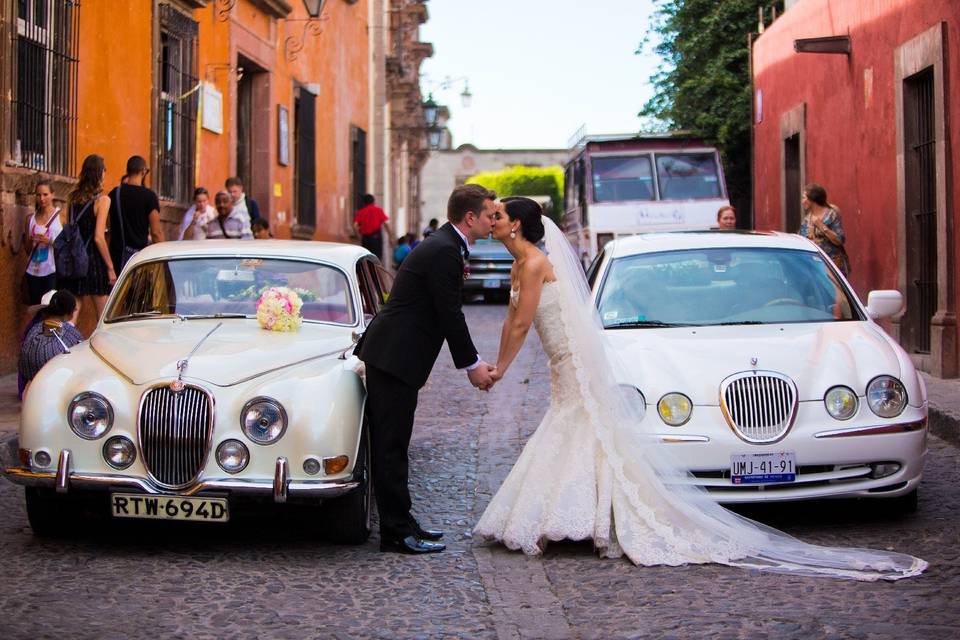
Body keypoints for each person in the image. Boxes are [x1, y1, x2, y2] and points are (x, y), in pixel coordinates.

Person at [473, 196, 926, 581]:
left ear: (515, 224)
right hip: (562, 361)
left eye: (496, 216)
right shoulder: (523, 263)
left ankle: (587, 514)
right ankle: (576, 513)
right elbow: (514, 320)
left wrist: (501, 369)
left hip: (570, 362)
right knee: (578, 429)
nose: (489, 221)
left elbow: (521, 323)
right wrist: (498, 363)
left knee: (583, 427)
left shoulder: (534, 263)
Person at [356, 183, 497, 554]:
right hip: (394, 356)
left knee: (396, 444)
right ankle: (395, 532)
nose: (493, 221)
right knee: (390, 446)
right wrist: (473, 365)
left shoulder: (445, 246)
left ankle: (403, 522)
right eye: (489, 215)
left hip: (399, 356)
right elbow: (449, 314)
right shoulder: (444, 251)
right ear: (470, 217)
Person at [58, 154, 114, 318]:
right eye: (104, 170)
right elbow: (98, 236)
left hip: (76, 258)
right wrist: (110, 267)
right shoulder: (103, 200)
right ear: (99, 173)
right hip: (94, 260)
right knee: (104, 316)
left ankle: (65, 341)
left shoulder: (73, 198)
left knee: (73, 314)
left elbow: (70, 228)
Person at [19, 289, 83, 395]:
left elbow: (24, 367)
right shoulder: (71, 333)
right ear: (70, 313)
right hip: (61, 390)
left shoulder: (33, 330)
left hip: (32, 390)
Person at [108, 155, 164, 272]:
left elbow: (108, 225)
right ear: (143, 171)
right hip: (138, 258)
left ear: (127, 171)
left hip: (116, 257)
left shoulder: (114, 194)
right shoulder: (149, 196)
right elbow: (156, 232)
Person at [23, 180, 63, 304]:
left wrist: (50, 241)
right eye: (38, 195)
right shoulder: (30, 219)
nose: (41, 198)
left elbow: (67, 245)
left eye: (45, 194)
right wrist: (32, 241)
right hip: (33, 271)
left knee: (51, 307)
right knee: (36, 307)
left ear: (52, 194)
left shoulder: (61, 216)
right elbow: (27, 250)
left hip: (53, 270)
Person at [799, 183, 850, 276]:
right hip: (815, 267)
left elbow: (839, 240)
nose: (802, 201)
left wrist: (821, 226)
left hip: (833, 267)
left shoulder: (831, 215)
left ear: (812, 200)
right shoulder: (806, 220)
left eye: (804, 198)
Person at [352, 194, 391, 261]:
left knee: (366, 259)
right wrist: (390, 236)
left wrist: (359, 237)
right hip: (376, 238)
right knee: (377, 258)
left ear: (364, 203)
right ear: (373, 202)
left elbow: (355, 226)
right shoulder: (379, 210)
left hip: (366, 238)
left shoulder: (361, 212)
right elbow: (386, 224)